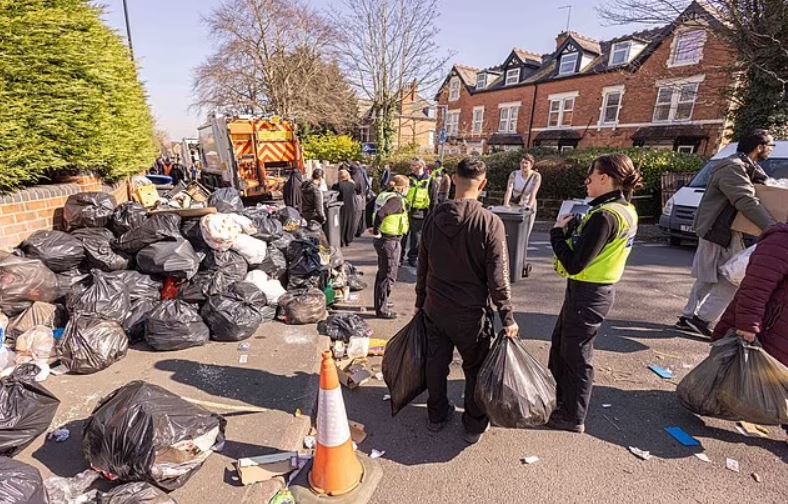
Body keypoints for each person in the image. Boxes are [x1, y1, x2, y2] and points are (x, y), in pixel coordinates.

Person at [416, 157, 518, 445]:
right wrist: (507, 316)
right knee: (474, 368)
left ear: (453, 179)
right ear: (483, 184)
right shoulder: (489, 223)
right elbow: (499, 277)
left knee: (436, 363)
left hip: (435, 308)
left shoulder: (434, 217)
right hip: (471, 314)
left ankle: (436, 415)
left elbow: (423, 265)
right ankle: (473, 423)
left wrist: (419, 301)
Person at [548, 154, 643, 433]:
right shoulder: (622, 209)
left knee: (576, 355)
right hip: (591, 290)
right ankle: (557, 401)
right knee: (563, 346)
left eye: (591, 175)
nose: (587, 181)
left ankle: (572, 416)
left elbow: (575, 263)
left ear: (605, 178)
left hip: (589, 292)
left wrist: (557, 233)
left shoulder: (605, 216)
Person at [678, 129, 777, 337]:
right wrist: (773, 229)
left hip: (726, 230)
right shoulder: (733, 168)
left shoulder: (748, 168)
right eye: (770, 145)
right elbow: (745, 200)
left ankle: (690, 317)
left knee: (713, 275)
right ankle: (699, 318)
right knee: (732, 276)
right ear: (759, 147)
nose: (771, 150)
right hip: (717, 229)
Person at [712, 223, 788, 366]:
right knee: (742, 382)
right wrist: (748, 325)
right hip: (766, 334)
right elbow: (755, 288)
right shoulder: (781, 241)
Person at [370, 175, 411, 319]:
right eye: (407, 187)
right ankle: (382, 308)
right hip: (389, 240)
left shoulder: (384, 195)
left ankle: (382, 301)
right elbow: (381, 214)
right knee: (388, 274)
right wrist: (376, 230)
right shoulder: (396, 200)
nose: (408, 190)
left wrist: (375, 229)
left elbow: (372, 209)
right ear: (401, 187)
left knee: (383, 272)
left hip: (385, 239)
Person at [401, 159, 431, 267]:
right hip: (406, 209)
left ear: (419, 166)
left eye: (413, 165)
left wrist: (431, 214)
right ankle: (399, 257)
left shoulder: (430, 180)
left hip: (420, 211)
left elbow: (433, 197)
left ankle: (412, 257)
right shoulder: (408, 177)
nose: (411, 167)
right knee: (403, 234)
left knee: (416, 237)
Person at [502, 154, 542, 235]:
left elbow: (533, 193)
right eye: (522, 162)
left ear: (531, 165)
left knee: (526, 231)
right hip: (515, 203)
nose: (524, 165)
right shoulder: (514, 174)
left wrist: (529, 206)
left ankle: (524, 246)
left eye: (526, 163)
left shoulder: (536, 176)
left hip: (528, 203)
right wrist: (506, 204)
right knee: (511, 230)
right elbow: (509, 189)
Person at [332, 169, 358, 247]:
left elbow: (333, 194)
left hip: (341, 206)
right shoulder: (352, 184)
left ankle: (341, 239)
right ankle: (348, 239)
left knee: (341, 223)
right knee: (349, 222)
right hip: (350, 205)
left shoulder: (338, 185)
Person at [349, 162, 368, 238]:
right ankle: (359, 231)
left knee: (356, 216)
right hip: (362, 197)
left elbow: (357, 187)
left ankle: (353, 233)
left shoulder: (354, 178)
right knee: (360, 215)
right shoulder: (360, 175)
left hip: (357, 198)